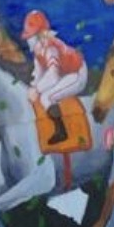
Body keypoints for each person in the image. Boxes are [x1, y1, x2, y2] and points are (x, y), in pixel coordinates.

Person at [21, 9, 87, 147]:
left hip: (76, 73)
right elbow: (39, 73)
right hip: (65, 73)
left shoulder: (50, 48)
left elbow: (52, 76)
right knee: (42, 94)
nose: (28, 40)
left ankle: (61, 132)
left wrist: (37, 90)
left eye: (30, 36)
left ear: (40, 35)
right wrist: (33, 86)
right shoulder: (39, 50)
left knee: (47, 97)